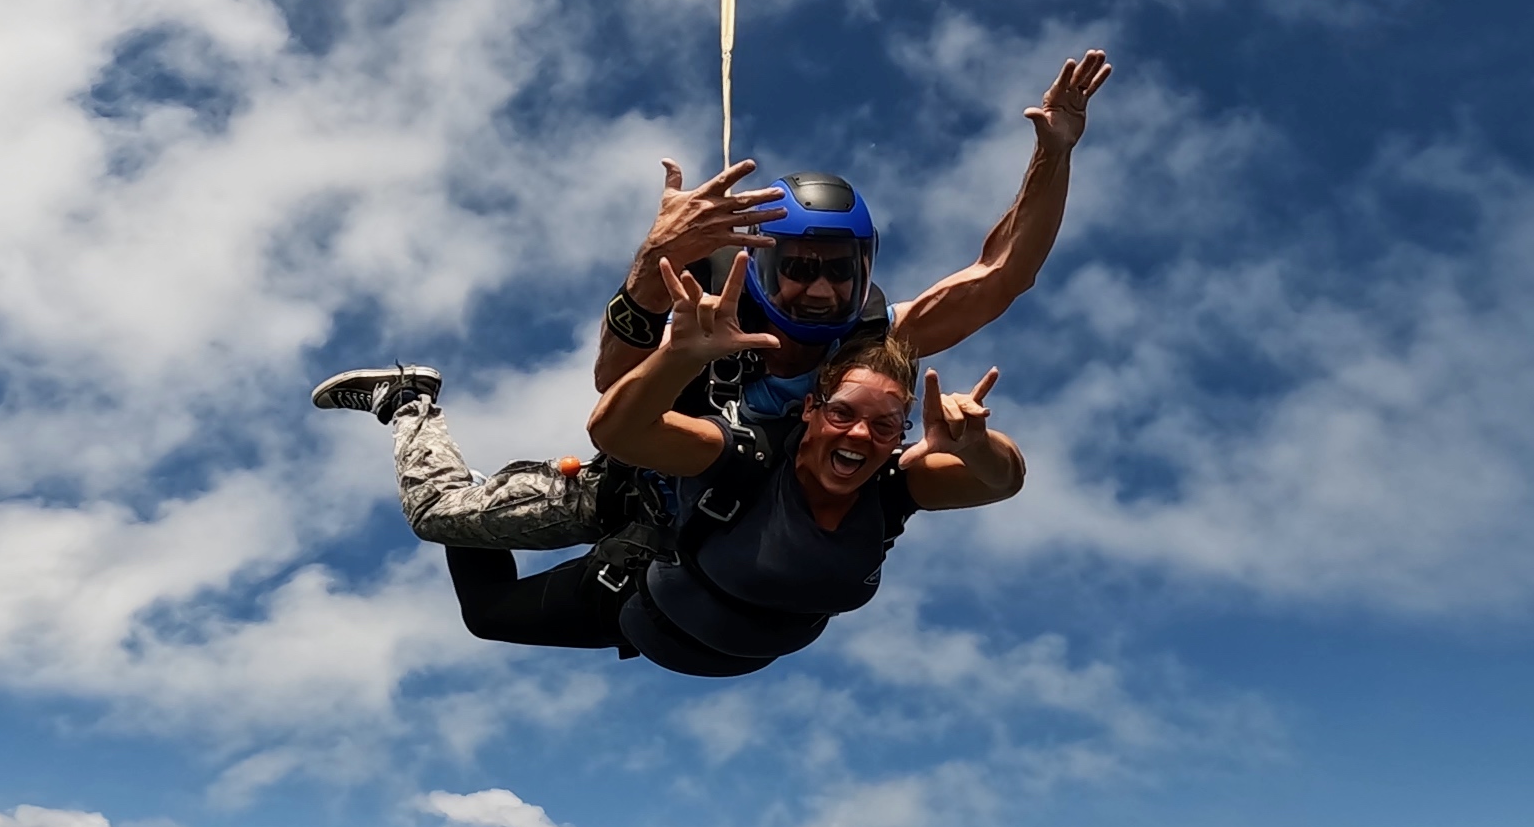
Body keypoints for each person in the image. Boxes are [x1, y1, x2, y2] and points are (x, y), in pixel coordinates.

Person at [310, 50, 1109, 550]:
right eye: (800, 267)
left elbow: (1003, 272)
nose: (821, 289)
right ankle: (410, 401)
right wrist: (652, 269)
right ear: (763, 266)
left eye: (840, 269)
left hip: (745, 526)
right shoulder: (715, 310)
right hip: (638, 493)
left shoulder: (874, 342)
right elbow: (610, 387)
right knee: (440, 516)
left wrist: (1055, 154)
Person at [442, 250, 1023, 675]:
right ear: (810, 411)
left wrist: (977, 444)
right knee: (478, 596)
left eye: (885, 426)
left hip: (711, 644)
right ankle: (424, 421)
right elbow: (617, 431)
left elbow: (1005, 480)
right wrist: (678, 356)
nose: (861, 434)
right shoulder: (744, 454)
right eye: (843, 414)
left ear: (901, 435)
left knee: (486, 612)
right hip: (641, 597)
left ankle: (478, 497)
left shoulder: (891, 483)